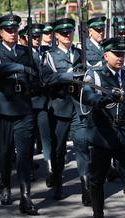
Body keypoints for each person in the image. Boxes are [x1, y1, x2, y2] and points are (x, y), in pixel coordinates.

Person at [82, 37, 125, 218]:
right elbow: (88, 96)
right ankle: (98, 214)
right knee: (97, 179)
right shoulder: (94, 75)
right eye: (116, 54)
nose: (120, 57)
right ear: (105, 55)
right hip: (102, 135)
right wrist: (106, 99)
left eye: (122, 54)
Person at [0, 14, 38, 215]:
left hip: (23, 106)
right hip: (3, 107)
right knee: (5, 153)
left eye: (15, 29)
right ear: (1, 32)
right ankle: (6, 186)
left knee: (24, 155)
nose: (13, 33)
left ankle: (26, 197)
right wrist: (19, 67)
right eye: (8, 30)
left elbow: (36, 73)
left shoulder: (26, 50)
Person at [41, 18, 91, 204]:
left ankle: (86, 187)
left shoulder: (80, 53)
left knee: (82, 144)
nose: (67, 35)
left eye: (70, 32)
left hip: (78, 106)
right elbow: (46, 79)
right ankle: (58, 184)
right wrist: (66, 76)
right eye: (63, 33)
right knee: (58, 148)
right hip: (59, 105)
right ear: (56, 36)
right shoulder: (50, 56)